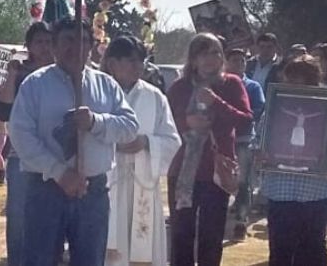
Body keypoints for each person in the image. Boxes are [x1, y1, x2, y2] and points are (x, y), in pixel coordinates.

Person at [10, 17, 139, 266]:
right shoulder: (35, 85)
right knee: (40, 260)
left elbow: (130, 127)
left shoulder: (106, 85)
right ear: (55, 47)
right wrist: (59, 172)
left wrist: (96, 122)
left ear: (91, 46)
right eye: (68, 40)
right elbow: (21, 136)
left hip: (93, 192)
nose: (75, 47)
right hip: (45, 189)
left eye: (82, 41)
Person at [166, 33, 252, 266]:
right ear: (193, 59)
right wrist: (187, 123)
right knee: (181, 235)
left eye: (216, 52)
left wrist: (216, 102)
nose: (210, 58)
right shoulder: (179, 87)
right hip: (183, 171)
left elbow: (245, 121)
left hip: (216, 173)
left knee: (211, 237)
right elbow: (165, 124)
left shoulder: (231, 84)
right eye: (204, 53)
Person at [257, 55, 327, 266]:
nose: (296, 83)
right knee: (280, 250)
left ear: (314, 79)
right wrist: (260, 153)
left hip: (316, 191)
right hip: (280, 191)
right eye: (292, 78)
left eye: (303, 78)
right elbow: (259, 140)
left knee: (314, 250)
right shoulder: (276, 104)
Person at [101, 36, 181, 266]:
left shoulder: (154, 96)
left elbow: (172, 140)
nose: (138, 66)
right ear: (113, 62)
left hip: (142, 182)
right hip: (107, 181)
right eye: (131, 60)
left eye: (141, 61)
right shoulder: (99, 91)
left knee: (141, 244)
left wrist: (146, 143)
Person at [0, 21, 54, 266]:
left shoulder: (63, 73)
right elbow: (4, 112)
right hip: (21, 157)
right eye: (38, 42)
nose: (44, 47)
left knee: (52, 218)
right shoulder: (20, 74)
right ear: (28, 46)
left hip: (55, 156)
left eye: (49, 42)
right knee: (19, 219)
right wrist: (11, 74)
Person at [224, 48, 265, 240]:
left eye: (242, 61)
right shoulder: (220, 83)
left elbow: (258, 110)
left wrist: (238, 117)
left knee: (243, 181)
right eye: (234, 60)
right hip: (222, 139)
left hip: (244, 138)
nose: (238, 64)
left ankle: (241, 220)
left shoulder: (253, 86)